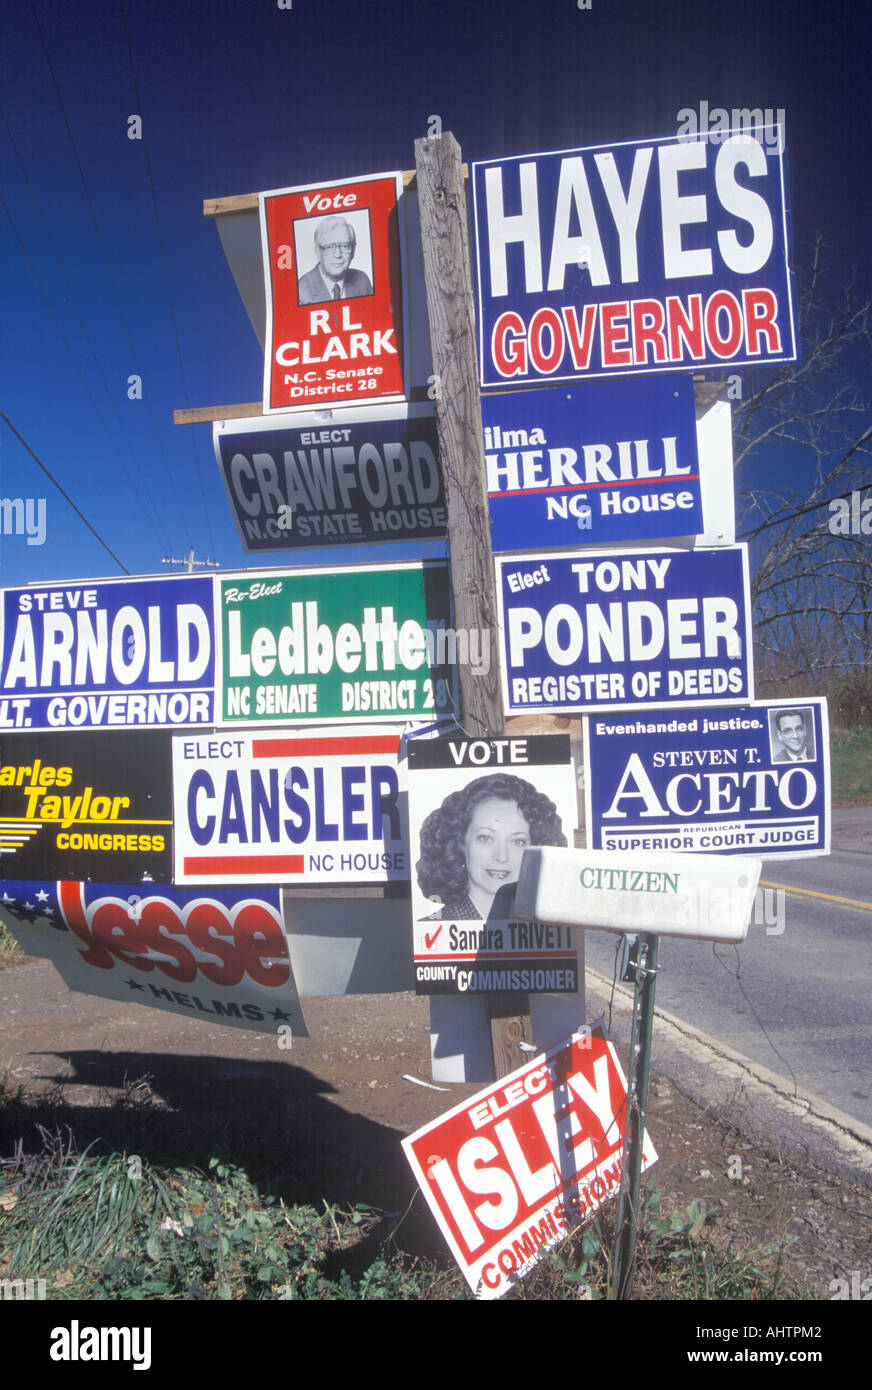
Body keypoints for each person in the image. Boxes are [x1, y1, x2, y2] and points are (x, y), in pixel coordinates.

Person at [416, 772, 567, 921]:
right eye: (485, 838)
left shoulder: (553, 931)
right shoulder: (433, 930)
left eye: (518, 842)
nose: (502, 856)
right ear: (460, 843)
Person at [297, 216, 373, 304]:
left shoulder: (362, 281)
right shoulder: (301, 292)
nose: (338, 255)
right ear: (317, 251)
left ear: (353, 251)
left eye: (345, 246)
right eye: (329, 247)